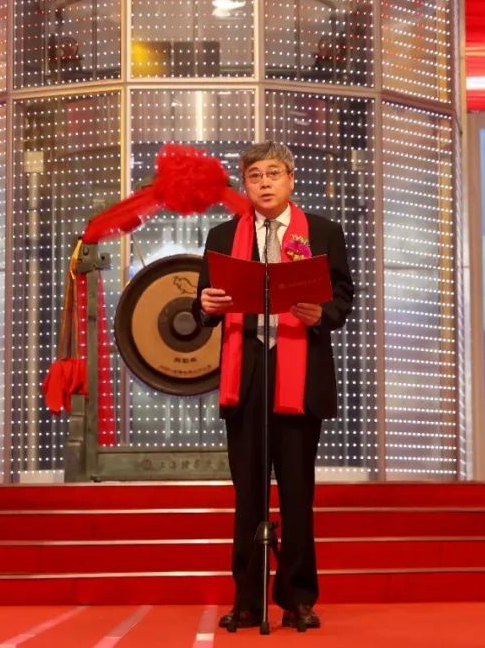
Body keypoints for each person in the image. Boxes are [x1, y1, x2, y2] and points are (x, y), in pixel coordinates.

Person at [194, 141, 354, 631]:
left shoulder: (323, 232)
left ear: (290, 179)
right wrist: (206, 307)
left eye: (273, 173)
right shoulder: (223, 235)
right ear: (245, 185)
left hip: (300, 376)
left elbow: (343, 297)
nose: (264, 183)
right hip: (246, 376)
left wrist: (320, 314)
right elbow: (203, 305)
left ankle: (298, 598)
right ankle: (246, 600)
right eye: (255, 176)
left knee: (298, 494)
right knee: (248, 496)